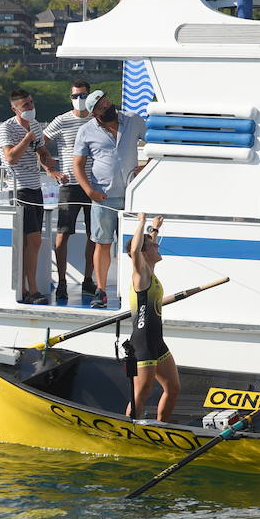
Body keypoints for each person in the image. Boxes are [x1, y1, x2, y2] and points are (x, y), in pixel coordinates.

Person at [72, 90, 147, 310]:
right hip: (102, 196)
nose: (107, 107)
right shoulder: (86, 131)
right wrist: (89, 191)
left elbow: (155, 143)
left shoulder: (133, 120)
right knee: (102, 244)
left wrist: (148, 165)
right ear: (94, 114)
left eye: (107, 102)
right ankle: (102, 291)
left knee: (136, 246)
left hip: (133, 195)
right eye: (102, 108)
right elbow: (78, 164)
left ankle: (134, 289)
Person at [0, 89, 65, 304]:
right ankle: (30, 289)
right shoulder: (6, 128)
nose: (30, 108)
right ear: (14, 109)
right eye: (25, 105)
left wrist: (51, 168)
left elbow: (41, 151)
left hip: (36, 188)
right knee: (33, 240)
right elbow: (10, 157)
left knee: (32, 242)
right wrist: (27, 139)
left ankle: (28, 287)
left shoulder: (35, 125)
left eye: (30, 103)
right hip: (19, 189)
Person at [42, 79, 98, 304]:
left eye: (83, 95)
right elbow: (40, 143)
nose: (79, 100)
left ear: (89, 95)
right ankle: (62, 282)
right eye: (75, 96)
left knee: (95, 234)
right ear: (70, 97)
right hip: (69, 185)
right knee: (63, 233)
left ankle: (88, 280)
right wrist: (50, 170)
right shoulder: (62, 120)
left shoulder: (98, 118)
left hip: (95, 185)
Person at [128, 213, 179, 422]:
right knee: (141, 393)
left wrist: (154, 229)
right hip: (142, 344)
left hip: (157, 342)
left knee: (173, 388)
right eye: (153, 246)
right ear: (144, 252)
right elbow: (134, 249)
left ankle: (161, 428)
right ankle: (129, 430)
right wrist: (141, 221)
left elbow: (146, 247)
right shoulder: (140, 275)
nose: (157, 247)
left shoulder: (150, 270)